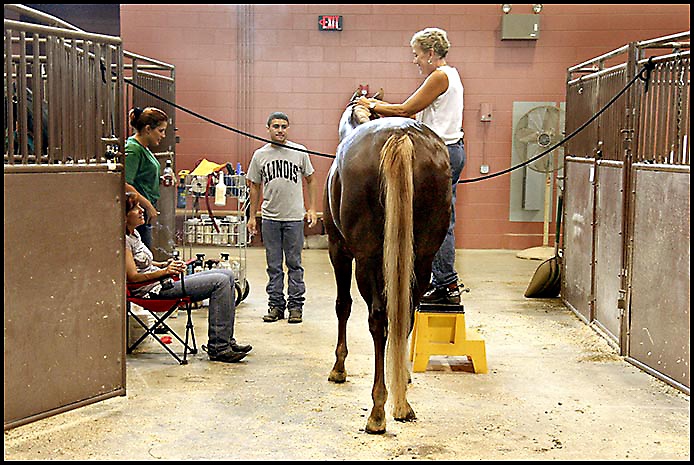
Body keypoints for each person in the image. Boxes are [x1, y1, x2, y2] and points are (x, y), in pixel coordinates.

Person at [357, 27, 466, 304]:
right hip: (449, 151)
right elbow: (414, 110)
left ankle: (445, 283)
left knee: (441, 221)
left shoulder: (439, 76)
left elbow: (406, 110)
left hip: (442, 152)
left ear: (431, 53)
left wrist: (372, 105)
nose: (414, 60)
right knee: (440, 217)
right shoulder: (449, 76)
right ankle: (440, 280)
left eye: (416, 55)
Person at [124, 192, 252, 363]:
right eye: (135, 208)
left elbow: (142, 263)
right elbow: (132, 277)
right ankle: (219, 348)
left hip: (162, 281)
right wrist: (165, 272)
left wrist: (163, 265)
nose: (141, 211)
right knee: (220, 282)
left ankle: (226, 340)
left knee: (227, 275)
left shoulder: (134, 234)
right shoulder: (122, 241)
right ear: (123, 216)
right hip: (153, 291)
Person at [247, 112, 318, 323]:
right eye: (276, 126)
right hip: (270, 218)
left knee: (294, 263)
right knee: (274, 264)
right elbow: (254, 186)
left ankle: (296, 307)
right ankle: (275, 306)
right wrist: (252, 216)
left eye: (284, 126)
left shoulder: (300, 152)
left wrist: (312, 208)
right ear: (268, 128)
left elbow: (312, 180)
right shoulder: (260, 155)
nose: (280, 130)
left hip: (294, 218)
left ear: (288, 129)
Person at [124, 106, 168, 250]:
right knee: (142, 255)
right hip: (138, 212)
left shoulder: (143, 148)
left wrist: (160, 179)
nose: (163, 135)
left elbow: (142, 174)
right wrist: (147, 205)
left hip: (145, 211)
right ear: (148, 129)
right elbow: (124, 183)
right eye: (160, 131)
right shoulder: (133, 149)